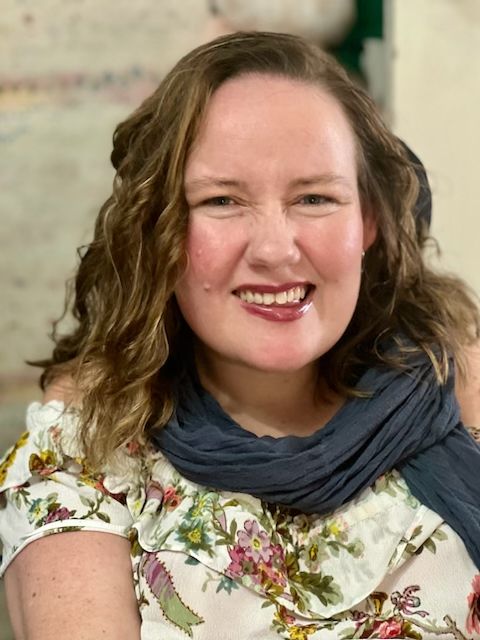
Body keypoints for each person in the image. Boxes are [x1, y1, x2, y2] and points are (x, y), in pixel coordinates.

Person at [1, 31, 480, 640]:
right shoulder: (87, 449)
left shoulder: (458, 392)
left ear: (370, 221)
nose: (277, 251)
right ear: (160, 232)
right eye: (223, 200)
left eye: (314, 197)